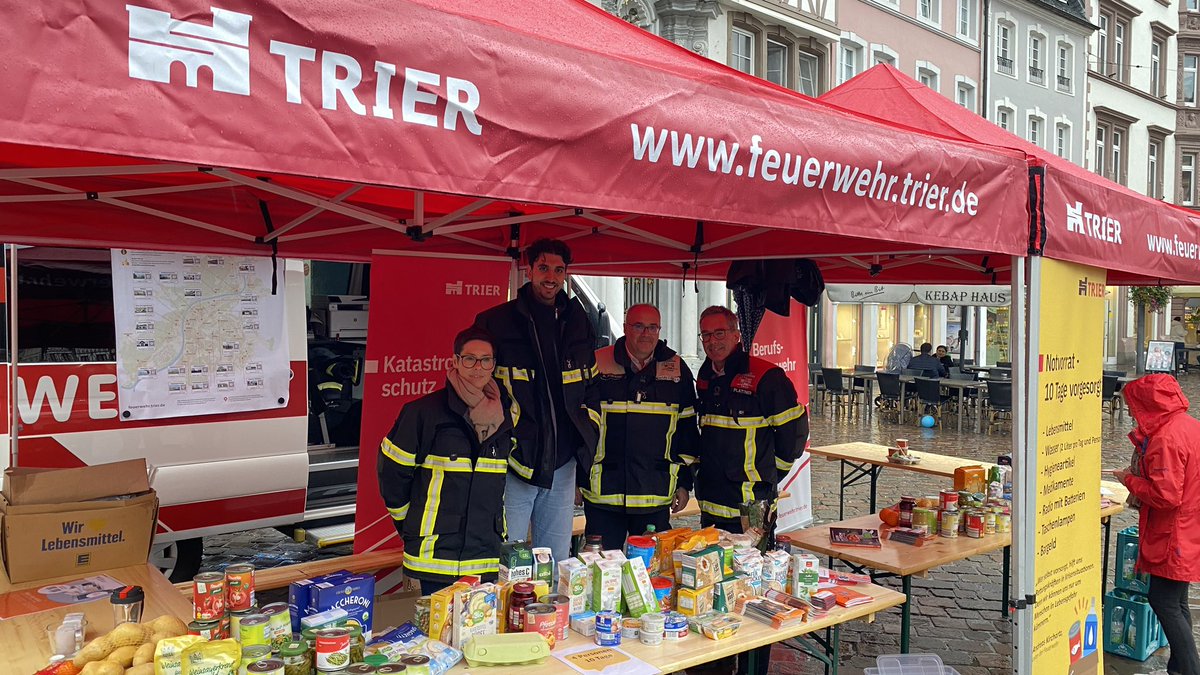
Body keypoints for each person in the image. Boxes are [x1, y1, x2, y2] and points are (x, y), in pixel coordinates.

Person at [474, 239, 598, 566]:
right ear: (529, 270)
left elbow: (590, 386)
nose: (551, 277)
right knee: (506, 559)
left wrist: (587, 438)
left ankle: (549, 618)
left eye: (559, 270)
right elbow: (476, 390)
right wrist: (502, 439)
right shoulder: (494, 322)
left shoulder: (579, 320)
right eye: (544, 268)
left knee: (554, 561)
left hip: (563, 462)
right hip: (516, 460)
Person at [377, 327, 514, 596]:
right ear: (455, 362)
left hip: (484, 558)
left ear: (493, 365)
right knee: (426, 638)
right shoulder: (422, 413)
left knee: (479, 635)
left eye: (486, 360)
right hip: (431, 560)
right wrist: (412, 524)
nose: (478, 367)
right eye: (470, 359)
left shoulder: (504, 417)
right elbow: (391, 475)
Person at [582, 304, 698, 550]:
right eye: (638, 326)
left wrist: (685, 483)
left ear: (659, 330)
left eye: (652, 327)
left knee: (651, 574)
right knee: (600, 572)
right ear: (625, 328)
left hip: (654, 496)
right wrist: (576, 477)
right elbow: (579, 426)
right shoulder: (597, 362)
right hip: (603, 494)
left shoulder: (677, 370)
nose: (646, 333)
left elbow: (687, 433)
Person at [1114, 374, 1200, 675]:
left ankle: (1188, 668)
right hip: (1188, 525)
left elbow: (1165, 496)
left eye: (1134, 407)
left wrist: (1129, 479)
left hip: (1174, 531)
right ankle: (1180, 667)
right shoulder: (1187, 424)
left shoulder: (1166, 437)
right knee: (1175, 600)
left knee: (1163, 601)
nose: (1132, 413)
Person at [693, 306, 807, 532]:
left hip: (752, 505)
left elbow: (793, 436)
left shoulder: (766, 377)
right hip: (712, 501)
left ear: (736, 336)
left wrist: (770, 475)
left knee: (755, 567)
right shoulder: (705, 376)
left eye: (719, 333)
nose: (712, 341)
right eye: (705, 335)